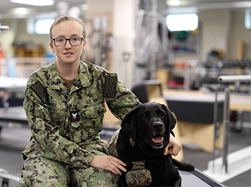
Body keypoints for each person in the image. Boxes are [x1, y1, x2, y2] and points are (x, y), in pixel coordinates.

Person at [19, 15, 182, 187]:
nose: (68, 45)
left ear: (84, 43)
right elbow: (44, 136)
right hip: (48, 154)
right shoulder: (38, 83)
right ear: (52, 45)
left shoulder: (102, 79)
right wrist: (90, 159)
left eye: (74, 39)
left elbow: (134, 111)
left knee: (105, 183)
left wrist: (165, 136)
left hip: (90, 148)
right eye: (60, 40)